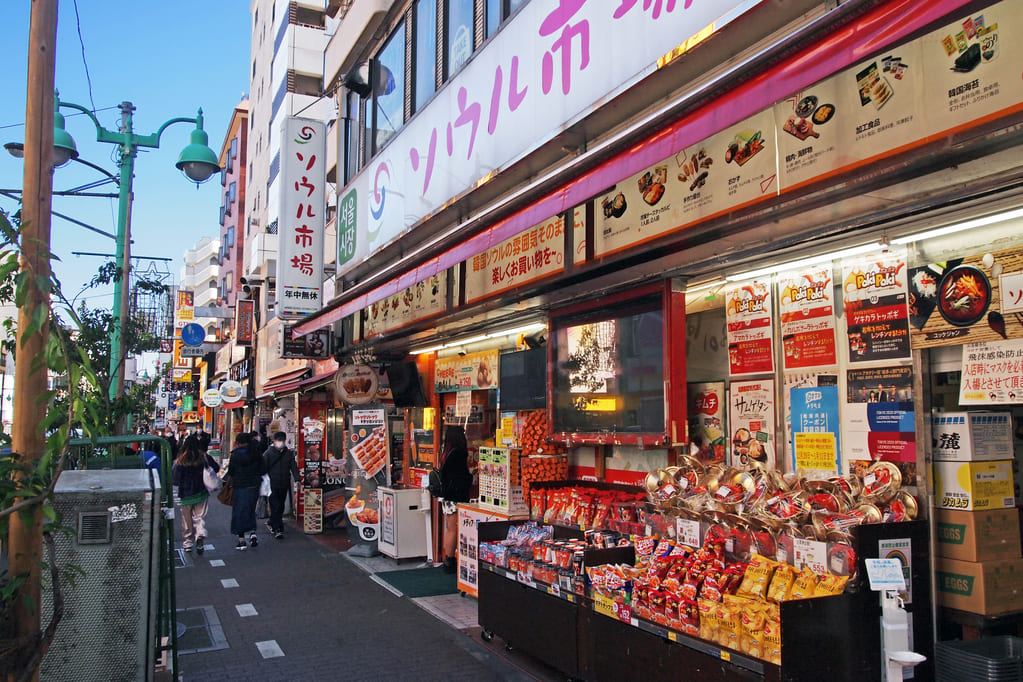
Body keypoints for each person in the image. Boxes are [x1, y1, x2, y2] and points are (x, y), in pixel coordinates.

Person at [171, 435, 219, 554]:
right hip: (201, 492)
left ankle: (187, 543)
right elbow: (216, 468)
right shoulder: (204, 457)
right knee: (199, 517)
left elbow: (175, 479)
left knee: (186, 520)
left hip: (186, 494)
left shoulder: (180, 460)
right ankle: (200, 535)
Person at [439, 425, 472, 573]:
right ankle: (450, 560)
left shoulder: (447, 452)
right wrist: (470, 477)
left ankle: (449, 559)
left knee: (450, 528)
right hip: (456, 495)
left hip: (447, 495)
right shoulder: (458, 453)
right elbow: (461, 476)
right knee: (454, 529)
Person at [226, 432, 265, 550]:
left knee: (239, 511)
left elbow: (231, 471)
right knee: (251, 509)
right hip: (253, 486)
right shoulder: (256, 453)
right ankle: (253, 534)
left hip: (240, 486)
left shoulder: (235, 455)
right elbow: (263, 469)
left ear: (238, 442)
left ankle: (241, 539)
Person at [262, 431, 300, 539]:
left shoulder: (288, 453)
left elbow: (293, 466)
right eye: (279, 441)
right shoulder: (268, 453)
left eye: (282, 441)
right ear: (274, 441)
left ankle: (273, 522)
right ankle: (278, 528)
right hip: (272, 484)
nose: (280, 443)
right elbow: (262, 468)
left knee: (281, 505)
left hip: (284, 483)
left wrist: (297, 479)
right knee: (275, 505)